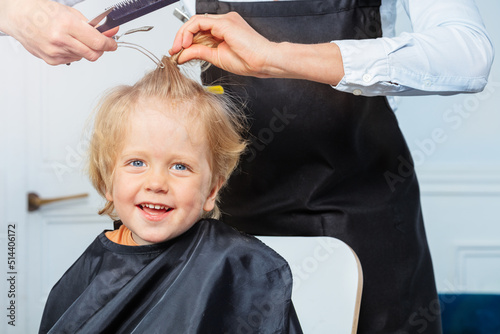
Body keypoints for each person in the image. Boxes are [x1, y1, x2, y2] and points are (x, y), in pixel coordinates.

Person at [38, 51, 303, 333]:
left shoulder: (239, 265)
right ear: (107, 182)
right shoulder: (85, 276)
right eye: (137, 163)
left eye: (180, 166)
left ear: (212, 189)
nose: (156, 183)